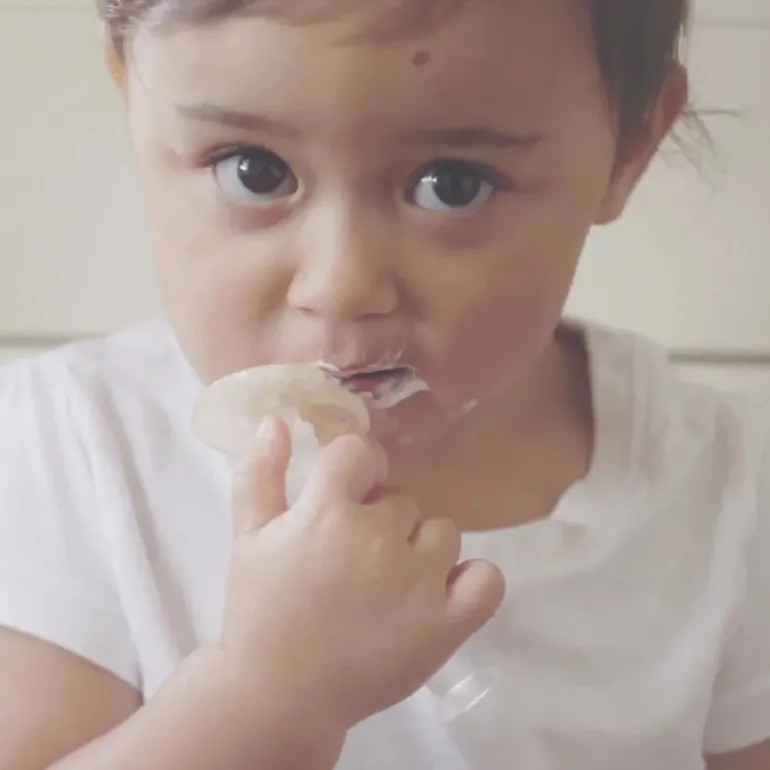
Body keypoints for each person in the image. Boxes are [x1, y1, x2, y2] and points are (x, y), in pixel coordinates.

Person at [0, 0, 768, 768]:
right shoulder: (70, 451)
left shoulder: (724, 489)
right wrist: (267, 698)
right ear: (130, 91)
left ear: (629, 145)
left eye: (453, 184)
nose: (340, 285)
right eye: (254, 170)